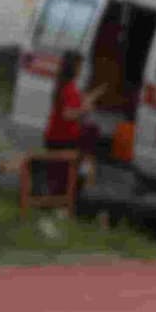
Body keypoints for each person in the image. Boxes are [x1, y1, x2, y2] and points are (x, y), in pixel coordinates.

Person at [42, 51, 104, 204]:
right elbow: (67, 114)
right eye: (79, 66)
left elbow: (78, 103)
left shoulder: (67, 86)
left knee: (91, 133)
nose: (81, 69)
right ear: (73, 67)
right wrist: (85, 109)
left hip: (62, 136)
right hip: (61, 139)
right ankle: (72, 192)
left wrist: (88, 100)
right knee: (92, 133)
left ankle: (84, 172)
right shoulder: (68, 88)